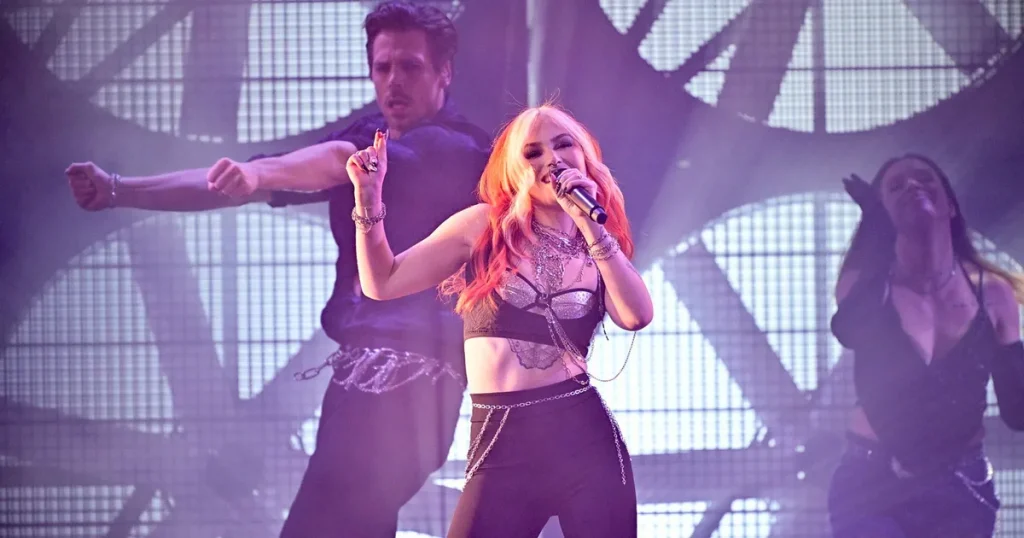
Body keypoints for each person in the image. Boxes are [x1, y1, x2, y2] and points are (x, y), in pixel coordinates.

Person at [65, 2, 492, 536]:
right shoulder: (371, 135)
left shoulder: (460, 150)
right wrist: (119, 189)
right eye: (382, 67)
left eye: (410, 66)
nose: (394, 81)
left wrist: (260, 174)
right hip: (358, 382)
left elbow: (327, 163)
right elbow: (235, 183)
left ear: (444, 72)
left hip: (414, 388)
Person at [344, 103, 653, 538]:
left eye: (564, 145)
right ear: (513, 171)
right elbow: (383, 282)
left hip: (585, 440)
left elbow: (636, 315)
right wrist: (368, 199)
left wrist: (592, 227)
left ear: (585, 157)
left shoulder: (599, 247)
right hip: (501, 440)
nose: (552, 159)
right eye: (533, 153)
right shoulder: (484, 228)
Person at [827, 154, 1024, 537]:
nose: (913, 186)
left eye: (924, 179)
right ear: (881, 215)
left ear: (951, 205)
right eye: (896, 187)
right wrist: (879, 236)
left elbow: (1018, 411)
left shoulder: (993, 293)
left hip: (960, 489)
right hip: (869, 485)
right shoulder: (863, 285)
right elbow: (851, 329)